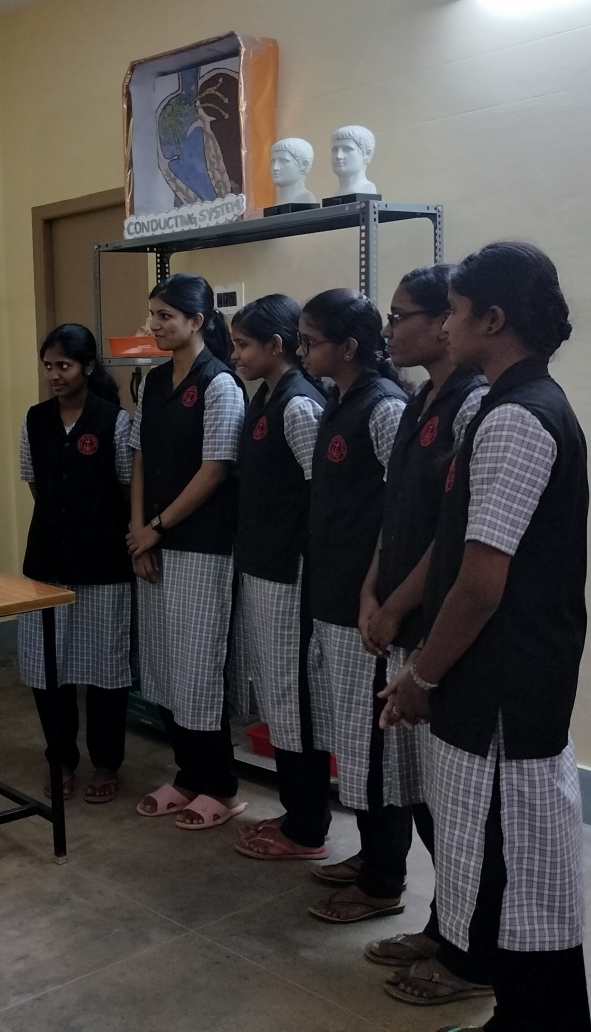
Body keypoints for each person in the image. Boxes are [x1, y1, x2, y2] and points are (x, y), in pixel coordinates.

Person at [381, 242, 591, 1031]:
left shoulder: (516, 419)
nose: (446, 326)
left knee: (517, 874)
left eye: (459, 312)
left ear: (494, 320)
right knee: (506, 867)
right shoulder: (515, 405)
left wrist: (420, 678)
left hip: (505, 683)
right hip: (505, 676)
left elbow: (478, 584)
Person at [245, 290, 414, 923]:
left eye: (311, 340)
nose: (302, 349)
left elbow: (404, 510)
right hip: (332, 596)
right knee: (352, 739)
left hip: (362, 605)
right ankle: (371, 859)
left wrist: (377, 593)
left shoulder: (384, 407)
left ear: (348, 347)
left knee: (374, 748)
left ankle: (383, 881)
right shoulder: (340, 400)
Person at [354, 266, 492, 1008]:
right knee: (427, 796)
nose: (389, 330)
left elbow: (455, 533)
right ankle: (445, 924)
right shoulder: (416, 401)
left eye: (401, 315)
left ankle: (476, 951)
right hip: (398, 614)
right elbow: (397, 511)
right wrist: (371, 590)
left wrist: (397, 606)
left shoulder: (474, 405)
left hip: (435, 624)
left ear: (446, 322)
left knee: (458, 808)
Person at [128, 274, 247, 830]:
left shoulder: (220, 383)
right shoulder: (152, 382)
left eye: (165, 316)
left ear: (197, 321)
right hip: (153, 542)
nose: (154, 325)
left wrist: (157, 527)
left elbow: (215, 469)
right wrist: (138, 533)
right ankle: (187, 775)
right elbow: (140, 458)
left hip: (202, 546)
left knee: (198, 663)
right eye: (152, 314)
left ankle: (220, 785)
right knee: (162, 662)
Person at [222, 295, 334, 864]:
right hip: (263, 567)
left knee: (294, 696)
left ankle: (309, 827)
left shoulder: (298, 405)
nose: (236, 355)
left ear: (276, 345)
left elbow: (323, 494)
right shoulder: (264, 397)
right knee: (277, 695)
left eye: (244, 345)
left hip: (291, 572)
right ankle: (295, 813)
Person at [19, 324, 134, 803]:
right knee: (48, 670)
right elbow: (34, 481)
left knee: (107, 672)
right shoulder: (35, 419)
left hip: (103, 564)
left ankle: (106, 763)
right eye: (48, 366)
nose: (54, 375)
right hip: (47, 561)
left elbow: (127, 487)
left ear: (87, 367)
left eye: (63, 366)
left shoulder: (116, 421)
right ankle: (61, 758)